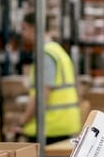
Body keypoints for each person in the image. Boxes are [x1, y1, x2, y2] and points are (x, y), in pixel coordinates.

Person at [18, 12, 81, 144]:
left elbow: (42, 96)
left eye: (24, 28)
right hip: (64, 124)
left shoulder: (45, 54)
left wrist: (22, 121)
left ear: (33, 28)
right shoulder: (57, 50)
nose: (22, 34)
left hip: (50, 128)